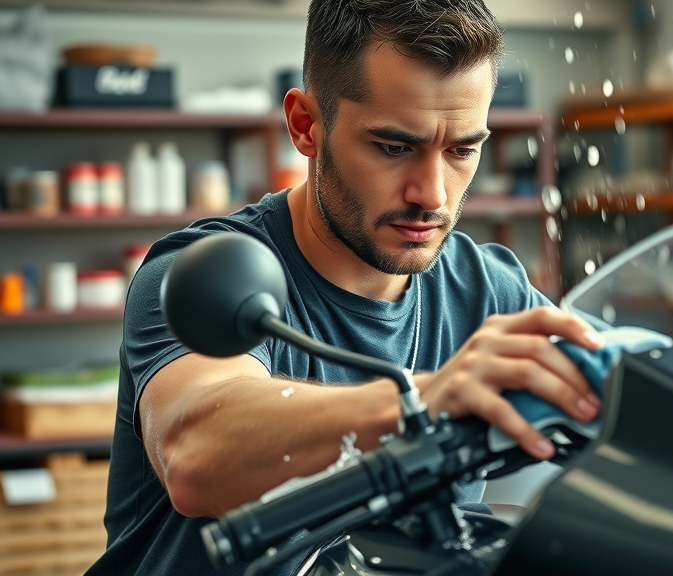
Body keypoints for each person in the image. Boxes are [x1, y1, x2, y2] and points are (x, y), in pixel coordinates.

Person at [85, 1, 603, 574]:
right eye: (393, 146)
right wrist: (426, 400)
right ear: (306, 125)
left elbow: (620, 384)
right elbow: (196, 453)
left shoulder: (490, 293)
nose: (431, 194)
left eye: (462, 149)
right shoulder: (200, 272)